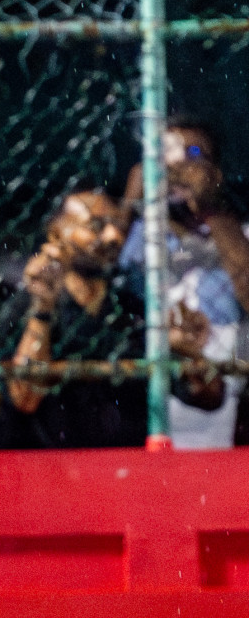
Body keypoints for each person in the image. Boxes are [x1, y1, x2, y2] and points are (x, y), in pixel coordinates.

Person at [0, 190, 222, 448]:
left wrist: (189, 351)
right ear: (56, 235)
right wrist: (43, 307)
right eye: (96, 226)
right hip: (55, 469)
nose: (114, 236)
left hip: (129, 466)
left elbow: (209, 398)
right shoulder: (22, 308)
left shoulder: (134, 305)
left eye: (118, 225)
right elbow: (25, 399)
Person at [119, 116, 249, 448]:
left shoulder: (239, 235)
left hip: (226, 386)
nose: (177, 164)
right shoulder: (138, 238)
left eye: (193, 152)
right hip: (146, 391)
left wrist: (210, 204)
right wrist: (130, 203)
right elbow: (100, 285)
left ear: (215, 173)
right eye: (164, 154)